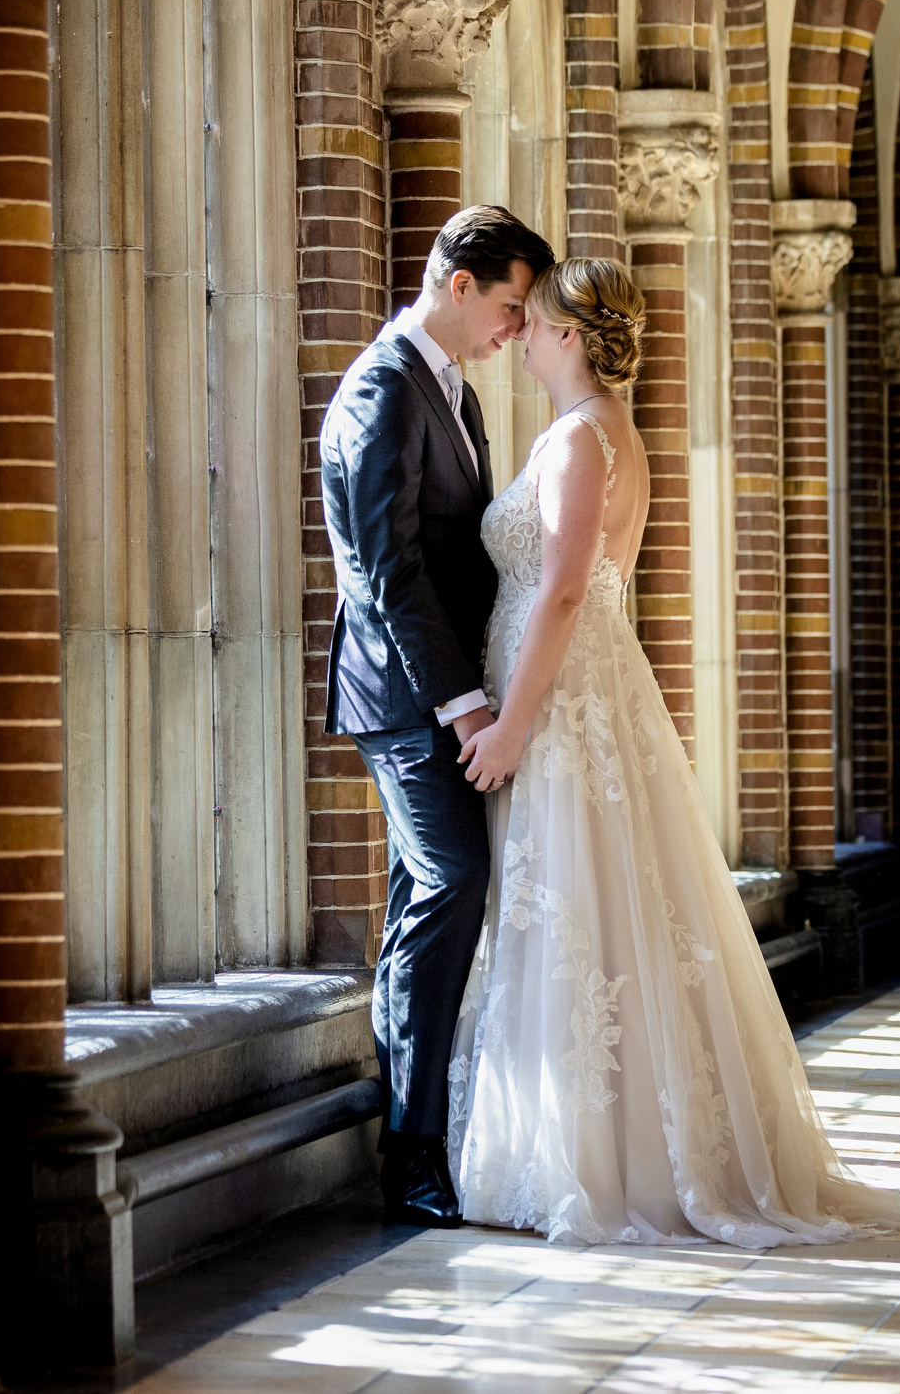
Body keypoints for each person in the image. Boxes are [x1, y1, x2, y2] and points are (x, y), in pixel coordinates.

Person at [446, 253, 900, 1246]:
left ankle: (602, 1161)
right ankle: (574, 1143)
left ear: (570, 337)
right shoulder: (584, 431)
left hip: (566, 697)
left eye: (536, 322)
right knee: (581, 912)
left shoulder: (584, 439)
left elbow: (562, 589)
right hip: (574, 691)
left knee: (581, 907)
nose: (525, 335)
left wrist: (507, 723)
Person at [318, 206, 554, 1228]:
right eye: (507, 305)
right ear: (458, 284)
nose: (514, 327)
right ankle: (411, 1152)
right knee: (450, 881)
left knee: (432, 889)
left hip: (449, 687)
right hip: (408, 695)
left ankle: (422, 1123)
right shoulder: (381, 387)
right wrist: (464, 704)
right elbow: (388, 569)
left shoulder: (451, 388)